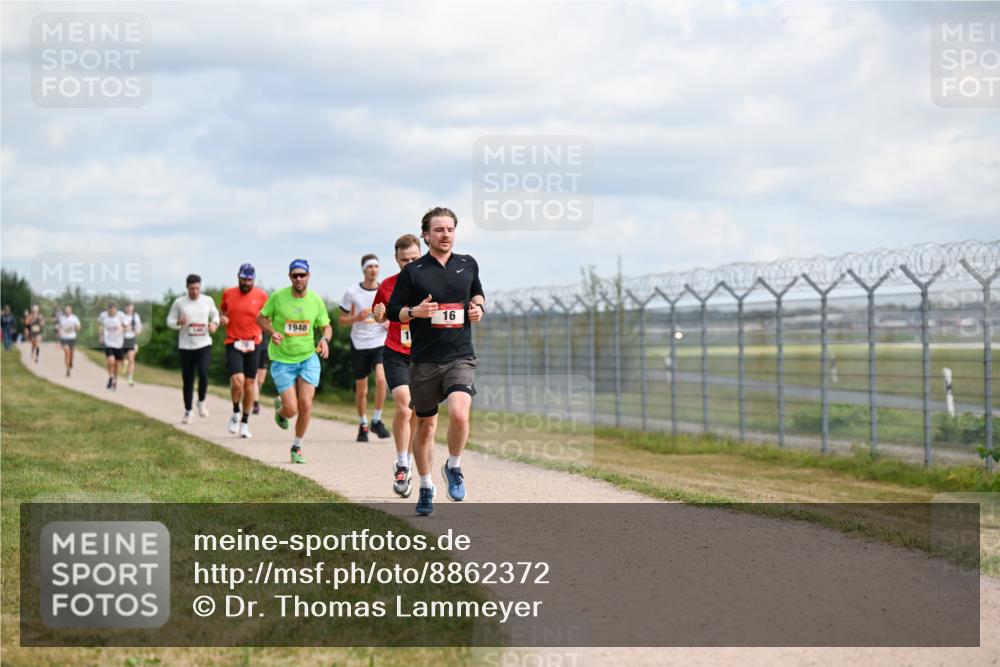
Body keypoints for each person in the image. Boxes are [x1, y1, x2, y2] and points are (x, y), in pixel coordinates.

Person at [388, 207, 485, 516]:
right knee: (426, 427)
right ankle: (426, 485)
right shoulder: (413, 272)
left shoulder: (468, 264)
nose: (446, 235)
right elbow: (394, 311)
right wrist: (415, 312)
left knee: (459, 413)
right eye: (439, 230)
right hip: (425, 360)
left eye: (450, 229)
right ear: (426, 235)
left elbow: (478, 294)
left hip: (460, 355)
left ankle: (453, 467)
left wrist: (477, 309)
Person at [257, 259, 332, 464]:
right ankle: (281, 410)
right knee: (292, 409)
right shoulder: (278, 297)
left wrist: (324, 340)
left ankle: (297, 447)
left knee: (306, 405)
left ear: (308, 276)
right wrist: (272, 332)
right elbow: (261, 317)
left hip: (308, 357)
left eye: (302, 275)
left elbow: (326, 326)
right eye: (295, 275)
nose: (299, 278)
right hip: (282, 359)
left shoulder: (315, 301)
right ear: (290, 277)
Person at [372, 234, 422, 497]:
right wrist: (378, 315)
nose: (409, 263)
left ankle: (411, 462)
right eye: (404, 260)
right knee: (404, 407)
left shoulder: (432, 283)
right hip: (395, 353)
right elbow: (377, 311)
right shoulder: (388, 286)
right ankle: (402, 463)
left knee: (417, 413)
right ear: (396, 260)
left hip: (425, 355)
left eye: (414, 258)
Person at [339, 254, 391, 442]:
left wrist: (388, 323)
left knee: (381, 379)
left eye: (376, 266)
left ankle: (377, 419)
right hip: (359, 343)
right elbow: (341, 320)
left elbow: (393, 314)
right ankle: (363, 424)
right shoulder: (352, 292)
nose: (373, 270)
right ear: (363, 269)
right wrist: (356, 318)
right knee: (362, 390)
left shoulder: (385, 290)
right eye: (369, 267)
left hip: (379, 341)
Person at [220, 263, 268, 439]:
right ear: (238, 277)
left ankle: (245, 422)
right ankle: (235, 411)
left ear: (253, 279)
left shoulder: (262, 296)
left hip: (253, 343)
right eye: (243, 279)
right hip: (233, 341)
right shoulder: (228, 293)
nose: (246, 282)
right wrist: (222, 318)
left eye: (249, 279)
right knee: (237, 380)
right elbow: (222, 310)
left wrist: (264, 331)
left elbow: (267, 316)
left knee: (249, 384)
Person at [167, 274, 220, 424]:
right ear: (187, 287)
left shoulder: (207, 300)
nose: (195, 291)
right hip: (186, 346)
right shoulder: (179, 302)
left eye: (197, 288)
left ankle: (201, 401)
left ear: (200, 287)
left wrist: (214, 323)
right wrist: (178, 321)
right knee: (188, 379)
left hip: (203, 344)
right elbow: (169, 321)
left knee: (203, 374)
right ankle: (188, 410)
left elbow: (215, 314)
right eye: (192, 289)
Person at [98, 303, 127, 389]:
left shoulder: (121, 316)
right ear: (108, 310)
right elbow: (100, 325)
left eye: (114, 311)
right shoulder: (104, 316)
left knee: (117, 365)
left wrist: (121, 329)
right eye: (111, 311)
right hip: (109, 342)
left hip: (119, 343)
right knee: (111, 361)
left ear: (116, 310)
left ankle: (115, 380)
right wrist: (101, 336)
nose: (112, 312)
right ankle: (110, 377)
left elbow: (127, 326)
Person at [56, 305, 82, 377]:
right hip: (64, 338)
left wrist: (76, 328)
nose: (67, 312)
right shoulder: (61, 318)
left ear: (71, 311)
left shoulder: (74, 318)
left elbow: (79, 327)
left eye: (69, 310)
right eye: (66, 310)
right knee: (67, 353)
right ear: (65, 311)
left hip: (72, 337)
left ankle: (71, 362)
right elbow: (59, 327)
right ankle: (68, 369)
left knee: (71, 354)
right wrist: (58, 338)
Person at [121, 303, 142, 386]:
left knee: (131, 359)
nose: (130, 310)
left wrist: (135, 330)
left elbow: (139, 330)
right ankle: (124, 362)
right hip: (122, 339)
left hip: (131, 340)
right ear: (125, 308)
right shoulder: (121, 316)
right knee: (120, 358)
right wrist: (127, 328)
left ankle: (130, 379)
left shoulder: (136, 317)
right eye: (128, 308)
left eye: (131, 309)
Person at [252, 332, 270, 415]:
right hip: (253, 347)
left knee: (261, 381)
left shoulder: (265, 319)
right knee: (254, 379)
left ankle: (255, 392)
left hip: (264, 348)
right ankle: (256, 404)